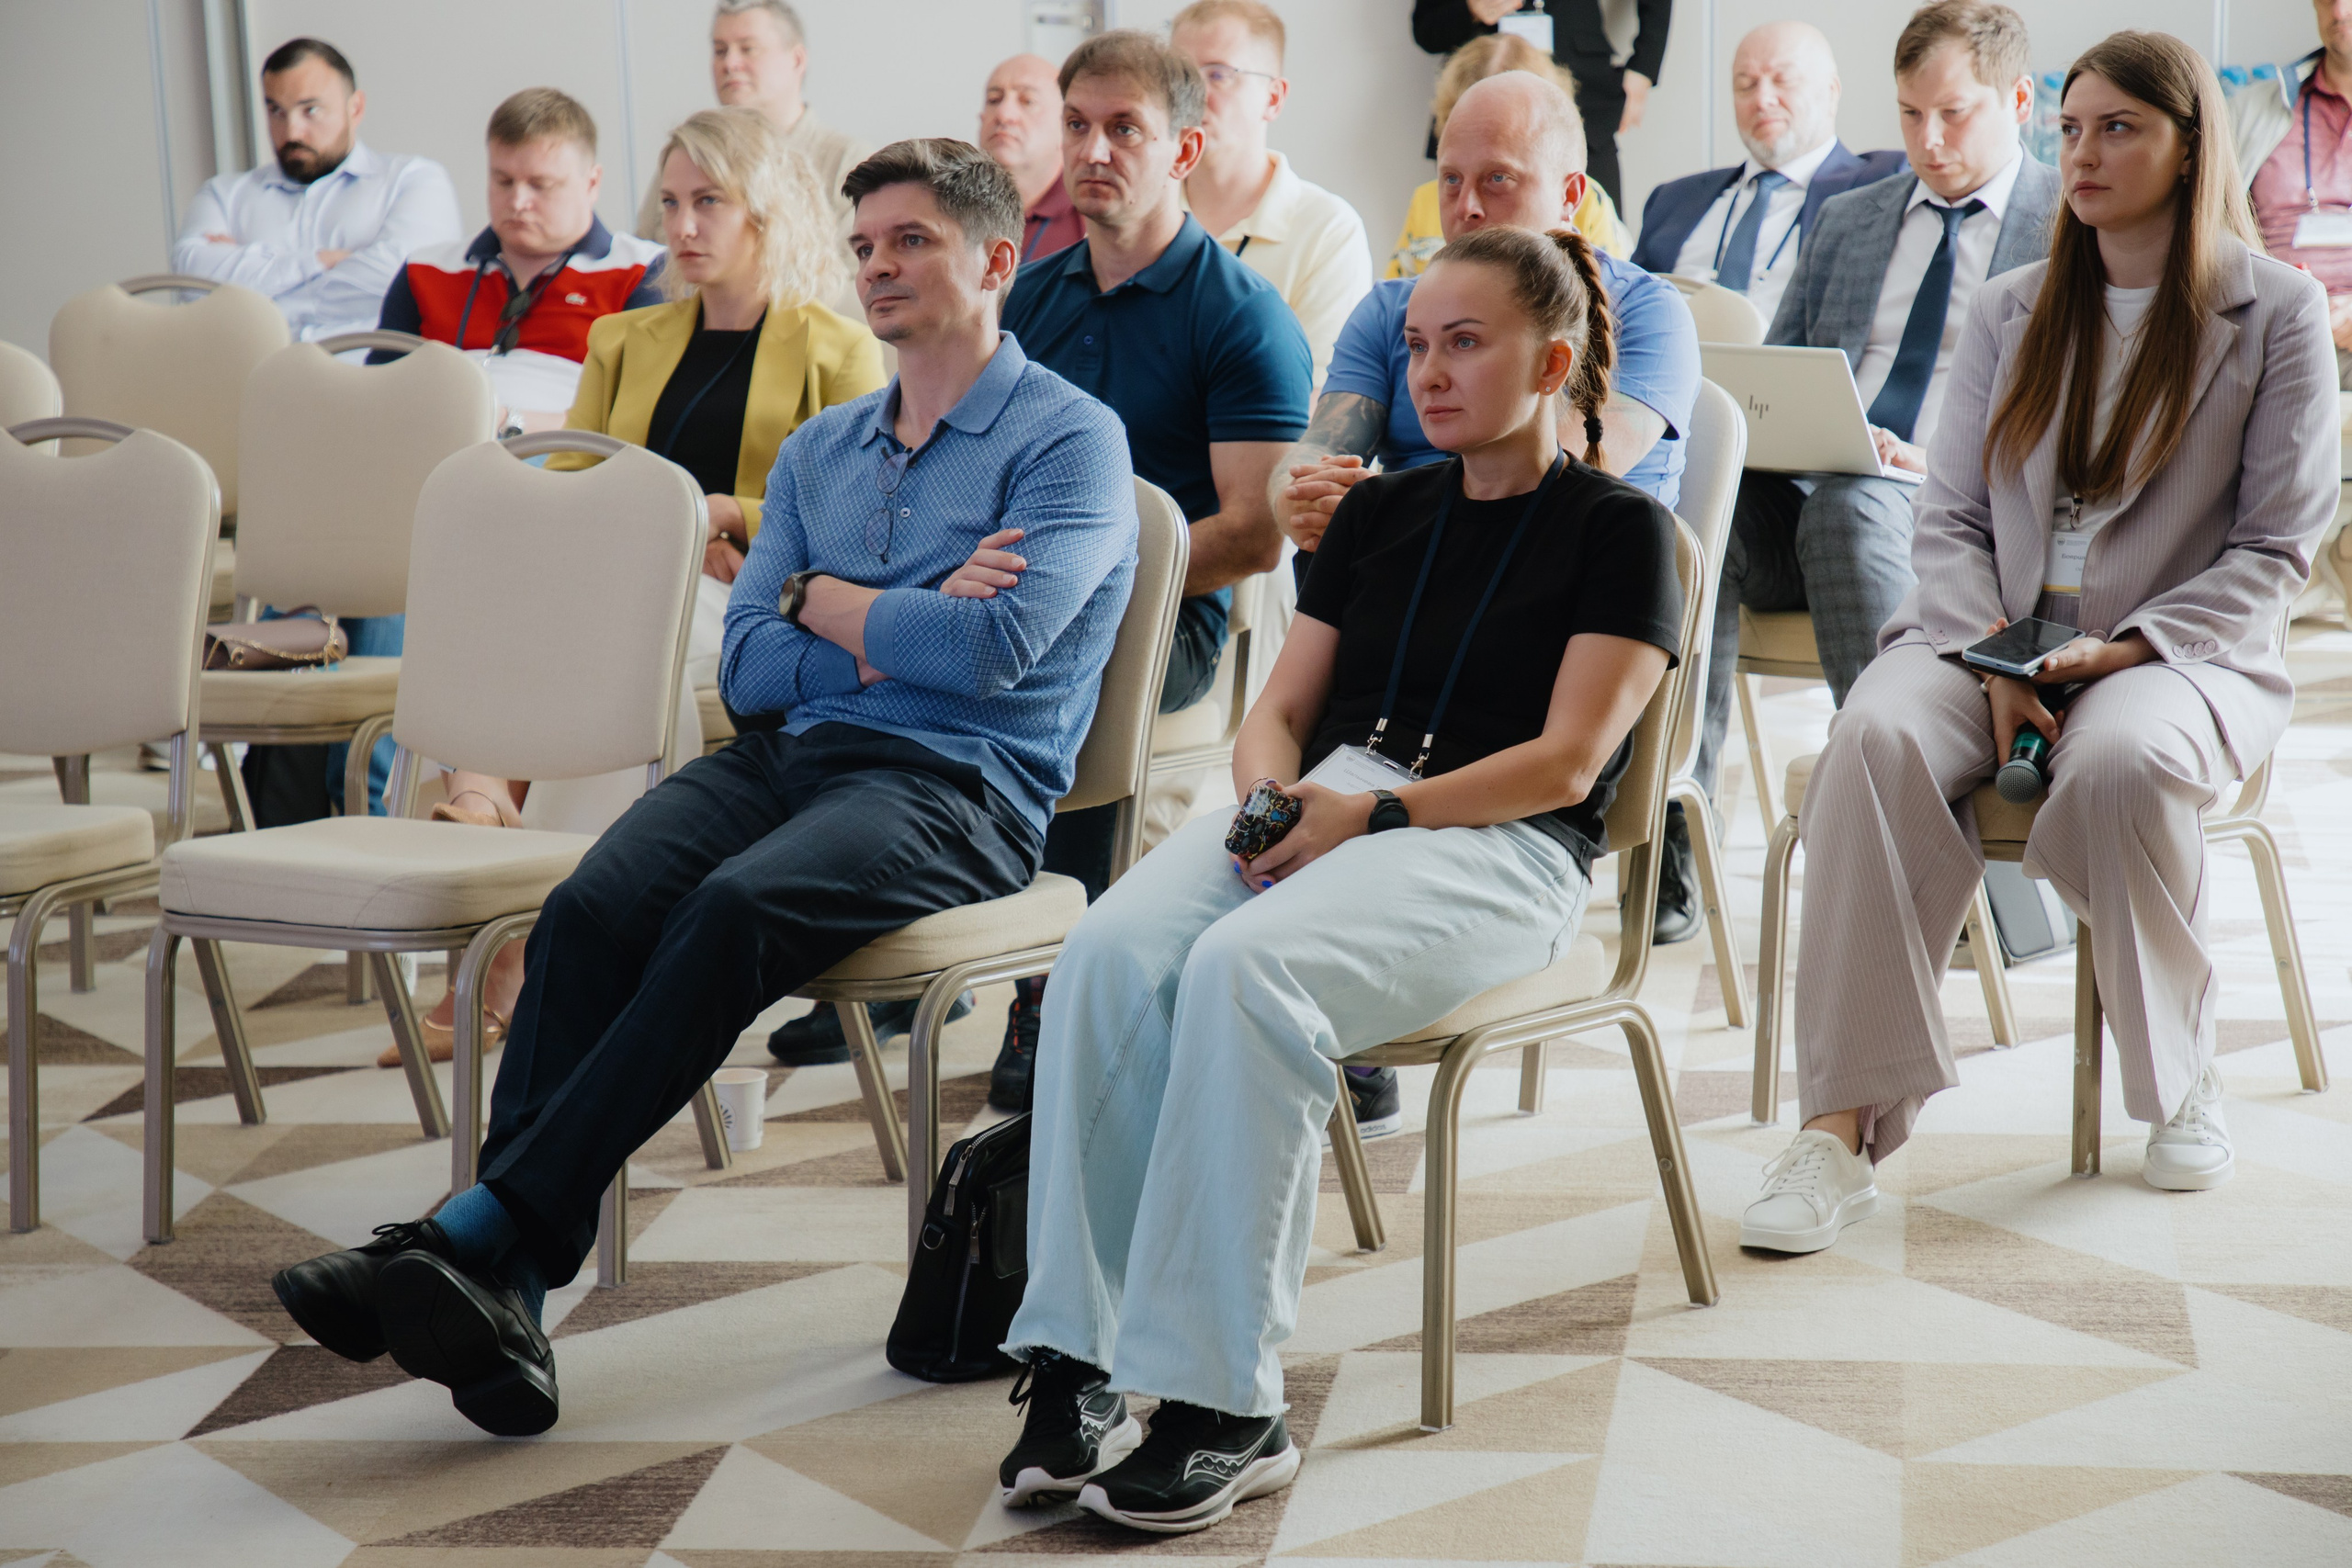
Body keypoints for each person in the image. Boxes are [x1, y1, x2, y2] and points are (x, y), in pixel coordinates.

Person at [271, 139, 1140, 1438]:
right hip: (787, 755)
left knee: (733, 909)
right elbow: (748, 667)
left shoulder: (1071, 440)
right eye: (865, 245)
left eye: (912, 240)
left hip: (960, 785)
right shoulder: (824, 450)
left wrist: (823, 598)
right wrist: (885, 620)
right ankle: (502, 1281)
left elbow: (992, 652)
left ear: (998, 259)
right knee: (588, 907)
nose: (879, 266)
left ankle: (477, 1228)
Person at [996, 222, 1679, 1535]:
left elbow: (1569, 761)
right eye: (1417, 344)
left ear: (1551, 363)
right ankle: (1079, 1358)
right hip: (1332, 798)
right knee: (1111, 947)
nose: (1429, 372)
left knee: (1245, 972)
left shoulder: (1623, 530)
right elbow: (1282, 708)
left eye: (1464, 343)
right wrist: (1272, 806)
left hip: (1501, 841)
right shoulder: (1378, 513)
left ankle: (1227, 1405)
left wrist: (1369, 815)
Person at [1741, 32, 2335, 1255]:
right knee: (1871, 734)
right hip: (1986, 631)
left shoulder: (2274, 310)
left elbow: (2277, 546)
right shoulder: (2011, 306)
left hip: (2172, 649)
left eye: (2118, 127)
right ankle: (1839, 1131)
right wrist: (1994, 658)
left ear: (2189, 147)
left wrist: (2127, 651)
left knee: (2119, 760)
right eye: (2070, 129)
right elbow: (1949, 516)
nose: (2083, 153)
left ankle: (2180, 1074)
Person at [380, 107, 886, 1070]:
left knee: (609, 652)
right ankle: (498, 859)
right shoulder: (625, 337)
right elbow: (578, 483)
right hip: (621, 578)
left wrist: (719, 517)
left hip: (755, 597)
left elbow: (854, 514)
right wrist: (661, 532)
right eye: (672, 202)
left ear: (766, 210)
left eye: (709, 202)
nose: (681, 226)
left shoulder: (837, 346)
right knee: (514, 622)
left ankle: (521, 932)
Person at [1686, 1, 2058, 947]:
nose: (1927, 142)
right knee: (1703, 503)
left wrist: (1937, 466)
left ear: (2018, 101)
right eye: (1908, 114)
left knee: (1849, 508)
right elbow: (1774, 383)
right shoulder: (1850, 220)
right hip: (1831, 498)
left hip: (1967, 516)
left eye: (1954, 114)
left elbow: (2086, 424)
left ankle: (1907, 837)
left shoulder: (2069, 226)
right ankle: (1676, 828)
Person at [995, 30, 1313, 1113]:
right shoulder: (1029, 299)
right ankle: (926, 937)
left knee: (1059, 665)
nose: (1093, 150)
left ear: (1183, 149)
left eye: (1123, 128)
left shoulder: (1240, 315)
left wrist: (1082, 584)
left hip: (1165, 618)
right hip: (1025, 593)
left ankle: (1053, 987)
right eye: (1077, 125)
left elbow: (1254, 534)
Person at [374, 88, 666, 433]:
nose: (517, 202)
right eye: (504, 181)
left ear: (591, 183)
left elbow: (636, 416)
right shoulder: (424, 270)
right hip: (431, 447)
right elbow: (380, 396)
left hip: (565, 457)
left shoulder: (643, 272)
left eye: (540, 185)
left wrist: (506, 422)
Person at [173, 38, 461, 343]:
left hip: (371, 370)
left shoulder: (413, 180)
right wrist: (322, 260)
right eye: (276, 111)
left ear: (355, 108)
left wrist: (255, 287)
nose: (291, 132)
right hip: (259, 372)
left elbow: (409, 284)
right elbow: (193, 286)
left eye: (310, 110)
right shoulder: (223, 195)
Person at [1630, 21, 1906, 329]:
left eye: (1783, 80)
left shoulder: (1882, 185)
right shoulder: (1673, 199)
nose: (1762, 100)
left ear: (1831, 92)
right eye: (1745, 85)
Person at [1169, 0, 1374, 385]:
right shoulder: (1141, 213)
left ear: (1273, 97)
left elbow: (1324, 397)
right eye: (1181, 75)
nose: (1192, 95)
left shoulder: (1328, 230)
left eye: (1218, 75)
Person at [1385, 32, 1631, 278]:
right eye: (1452, 179)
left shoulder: (1590, 203)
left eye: (1498, 177)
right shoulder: (1424, 201)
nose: (1466, 207)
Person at [635, 0, 870, 240]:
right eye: (720, 51)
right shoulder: (687, 158)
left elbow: (855, 263)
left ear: (797, 59)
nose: (729, 63)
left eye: (748, 49)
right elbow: (642, 255)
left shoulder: (848, 163)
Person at [1412, 0, 1668, 210]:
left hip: (1586, 99)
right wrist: (1470, 8)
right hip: (1477, 84)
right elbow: (1426, 29)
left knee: (1597, 236)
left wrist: (1644, 69)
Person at [2232, 0, 2352, 387]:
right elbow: (2205, 231)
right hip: (2272, 326)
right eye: (2327, 0)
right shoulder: (2252, 110)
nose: (2338, 12)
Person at [982, 53, 1084, 265]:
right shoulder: (949, 209)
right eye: (994, 100)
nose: (1003, 114)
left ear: (1066, 124)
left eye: (1028, 101)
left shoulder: (1091, 216)